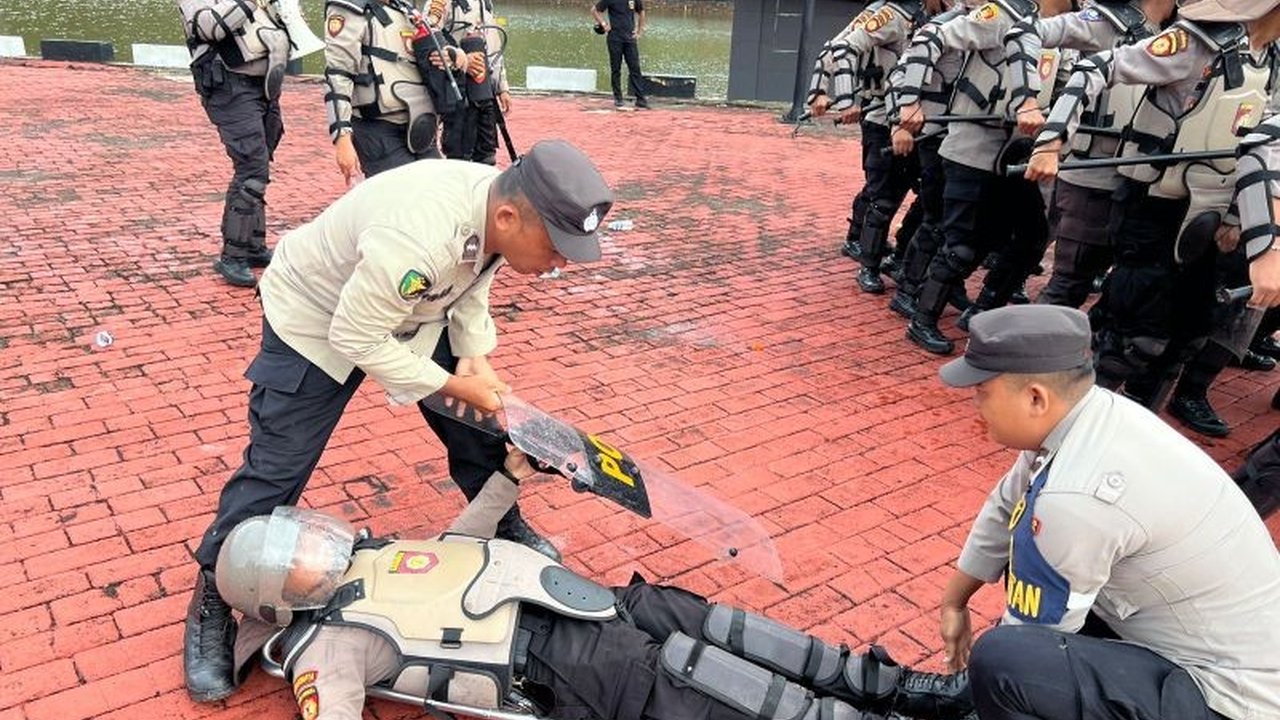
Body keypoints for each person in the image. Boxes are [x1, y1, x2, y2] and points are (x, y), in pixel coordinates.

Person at [182, 139, 615, 704]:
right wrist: (458, 383)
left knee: (477, 425)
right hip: (315, 322)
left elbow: (470, 283)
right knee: (278, 466)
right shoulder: (416, 236)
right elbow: (354, 336)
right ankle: (215, 589)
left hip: (410, 311)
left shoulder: (492, 208)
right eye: (557, 248)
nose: (559, 263)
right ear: (511, 217)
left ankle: (503, 522)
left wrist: (474, 359)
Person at [216, 449, 975, 720]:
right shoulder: (325, 653)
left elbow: (454, 552)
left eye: (306, 536)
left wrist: (509, 479)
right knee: (699, 677)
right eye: (299, 560)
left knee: (714, 623)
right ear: (282, 599)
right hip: (554, 663)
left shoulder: (365, 558)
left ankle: (895, 685)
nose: (318, 547)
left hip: (582, 598)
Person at [931, 304, 1280, 720]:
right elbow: (1005, 504)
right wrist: (954, 604)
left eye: (982, 393)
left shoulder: (1077, 496)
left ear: (1036, 398)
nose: (976, 406)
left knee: (1004, 661)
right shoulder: (1087, 417)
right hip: (1200, 648)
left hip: (1226, 700)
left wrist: (982, 691)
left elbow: (1029, 649)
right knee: (1029, 558)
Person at [1022, 0, 1280, 405]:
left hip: (1210, 218)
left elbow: (1261, 148)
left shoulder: (1272, 61)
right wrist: (1051, 140)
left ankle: (1137, 420)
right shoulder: (1195, 44)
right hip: (1155, 208)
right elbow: (1095, 70)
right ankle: (1074, 421)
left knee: (1187, 333)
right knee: (1136, 337)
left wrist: (1235, 217)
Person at [893, 0, 1066, 355]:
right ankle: (921, 316)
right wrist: (908, 103)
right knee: (960, 244)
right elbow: (930, 37)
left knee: (1031, 235)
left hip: (1015, 155)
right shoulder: (1001, 15)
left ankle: (983, 310)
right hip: (971, 150)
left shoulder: (1056, 28)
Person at [1003, 0, 1168, 309]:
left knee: (1118, 279)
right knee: (1067, 280)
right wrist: (1027, 100)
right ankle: (1014, 340)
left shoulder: (1173, 35)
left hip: (1137, 178)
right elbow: (1024, 31)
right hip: (1089, 175)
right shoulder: (1105, 22)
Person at [178, 0, 308, 287]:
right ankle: (233, 256)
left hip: (263, 85)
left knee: (260, 164)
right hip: (228, 85)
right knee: (252, 166)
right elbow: (209, 27)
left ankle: (252, 246)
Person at [324, 0, 471, 182]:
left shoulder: (405, 9)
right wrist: (342, 137)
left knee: (435, 196)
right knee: (400, 201)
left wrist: (452, 56)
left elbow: (428, 50)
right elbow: (338, 75)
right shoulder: (351, 9)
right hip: (378, 129)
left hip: (421, 127)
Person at [436, 0, 513, 165]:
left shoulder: (485, 3)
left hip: (484, 89)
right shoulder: (442, 3)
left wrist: (502, 87)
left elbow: (493, 47)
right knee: (458, 156)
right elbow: (428, 39)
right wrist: (461, 60)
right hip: (457, 90)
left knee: (487, 154)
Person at [592, 0, 649, 109]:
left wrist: (639, 31)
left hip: (630, 39)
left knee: (635, 68)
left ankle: (640, 99)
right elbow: (595, 10)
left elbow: (641, 11)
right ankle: (618, 98)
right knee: (616, 69)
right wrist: (604, 24)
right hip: (615, 38)